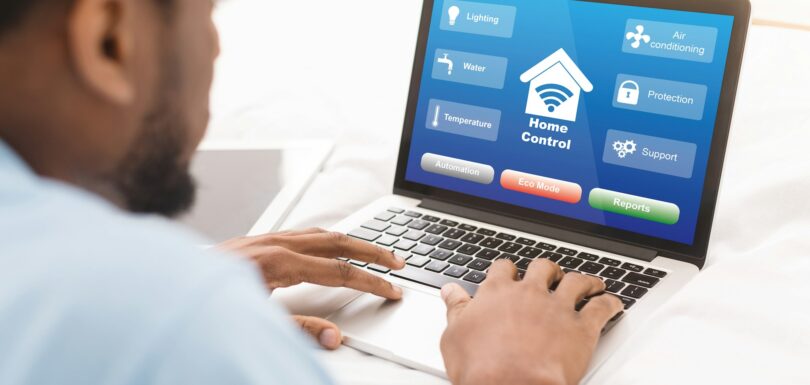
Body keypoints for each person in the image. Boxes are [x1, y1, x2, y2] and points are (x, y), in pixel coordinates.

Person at [0, 1, 624, 384]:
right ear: (109, 36)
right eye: (207, 9)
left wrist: (153, 292)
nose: (214, 44)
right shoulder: (183, 329)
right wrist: (511, 374)